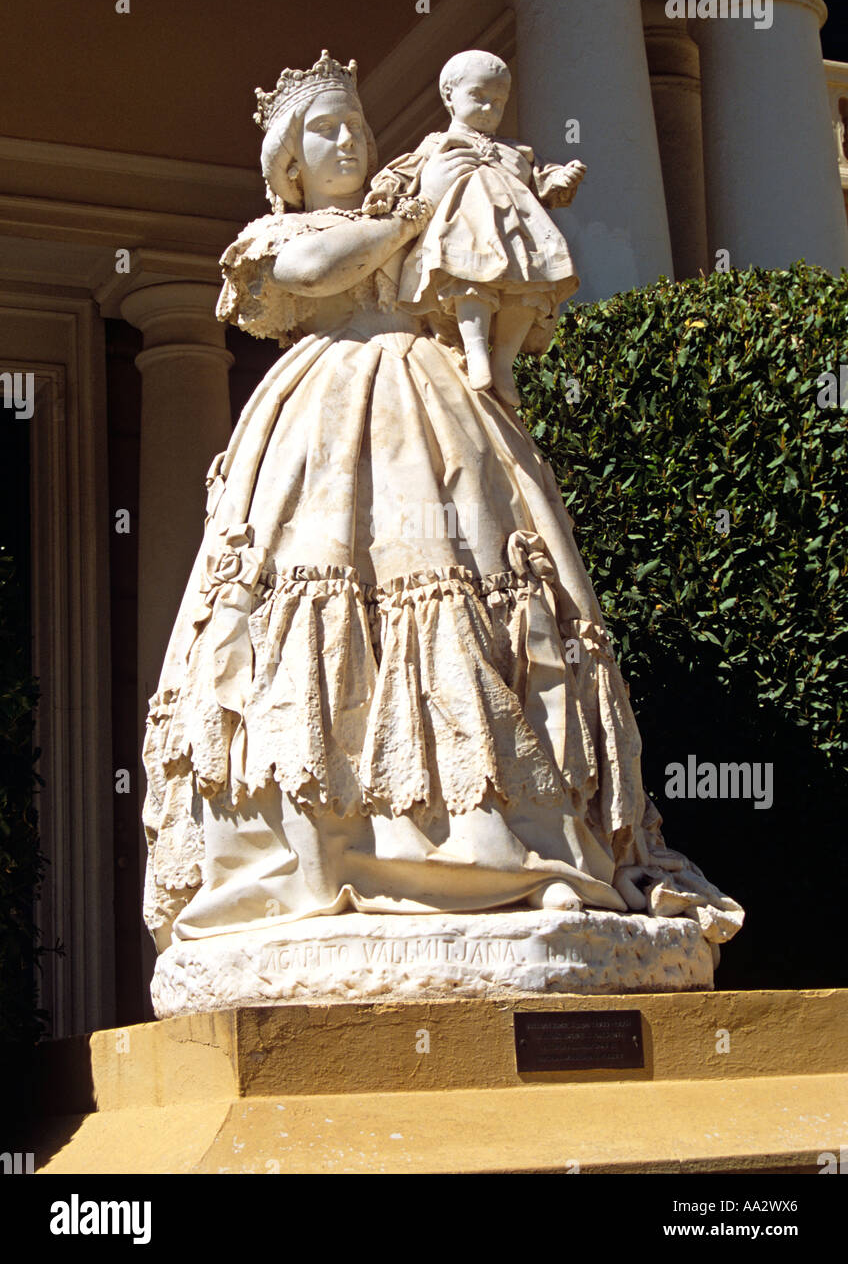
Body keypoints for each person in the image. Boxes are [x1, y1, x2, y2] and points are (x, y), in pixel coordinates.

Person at [141, 52, 742, 960]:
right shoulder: (280, 234)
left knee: (479, 583)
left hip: (441, 411)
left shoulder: (412, 197)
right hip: (327, 415)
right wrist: (408, 217)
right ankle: (328, 845)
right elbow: (313, 267)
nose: (348, 140)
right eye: (325, 130)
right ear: (288, 163)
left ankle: (501, 835)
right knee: (320, 603)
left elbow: (485, 244)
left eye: (356, 125)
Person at [363, 49, 585, 405]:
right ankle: (476, 349)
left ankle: (503, 362)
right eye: (479, 97)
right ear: (449, 96)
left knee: (527, 289)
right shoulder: (439, 145)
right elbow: (402, 172)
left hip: (517, 235)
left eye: (497, 102)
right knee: (469, 283)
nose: (488, 108)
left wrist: (561, 176)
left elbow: (545, 180)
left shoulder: (515, 151)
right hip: (464, 231)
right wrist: (384, 190)